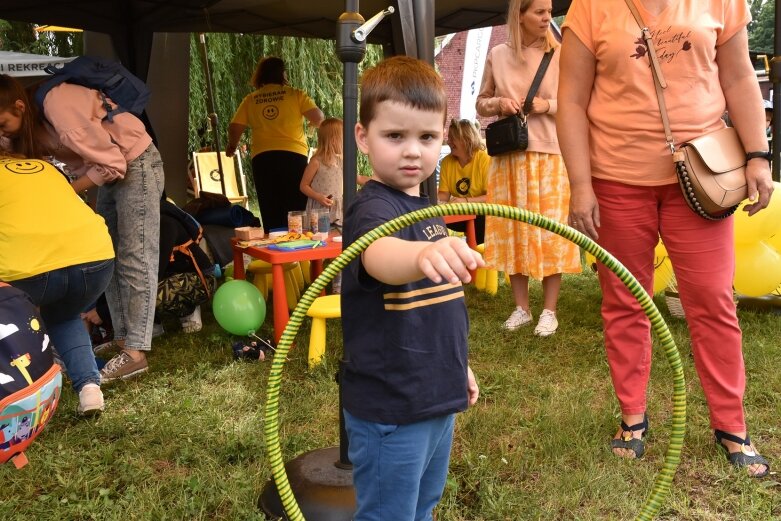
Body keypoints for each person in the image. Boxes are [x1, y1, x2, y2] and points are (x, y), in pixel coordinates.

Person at [558, 0, 773, 477]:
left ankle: (731, 426)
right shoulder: (589, 7)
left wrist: (759, 153)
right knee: (624, 300)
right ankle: (633, 416)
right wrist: (581, 185)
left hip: (704, 176)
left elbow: (739, 79)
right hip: (615, 180)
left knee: (713, 301)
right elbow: (570, 99)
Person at [342, 55, 483, 521]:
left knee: (423, 505)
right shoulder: (372, 208)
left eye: (426, 137)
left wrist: (458, 368)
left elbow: (441, 310)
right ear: (363, 137)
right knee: (389, 513)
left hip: (434, 396)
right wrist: (420, 257)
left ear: (443, 137)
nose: (412, 151)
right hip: (391, 406)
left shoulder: (427, 208)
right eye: (394, 136)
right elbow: (378, 257)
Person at [0, 73, 164, 384]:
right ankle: (122, 342)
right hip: (103, 171)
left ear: (19, 107)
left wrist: (62, 192)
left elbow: (114, 163)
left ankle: (136, 352)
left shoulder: (58, 104)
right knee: (114, 256)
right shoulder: (26, 125)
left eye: (2, 125)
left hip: (135, 162)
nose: (2, 134)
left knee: (136, 253)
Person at [476, 0, 581, 337]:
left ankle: (550, 311)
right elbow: (481, 102)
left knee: (552, 233)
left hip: (550, 155)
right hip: (508, 157)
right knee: (513, 231)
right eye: (540, 11)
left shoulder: (561, 54)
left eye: (549, 11)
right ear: (519, 16)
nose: (548, 17)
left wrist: (544, 105)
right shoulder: (498, 55)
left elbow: (576, 102)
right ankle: (521, 307)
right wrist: (499, 104)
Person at [0, 154, 115, 415]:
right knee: (64, 316)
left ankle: (16, 395)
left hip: (29, 268)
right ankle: (89, 389)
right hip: (95, 257)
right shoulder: (42, 166)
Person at [227, 56, 325, 230]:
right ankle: (299, 247)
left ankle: (275, 247)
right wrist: (312, 126)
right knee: (296, 204)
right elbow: (319, 118)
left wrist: (232, 146)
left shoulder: (251, 99)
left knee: (270, 204)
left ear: (260, 75)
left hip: (263, 158)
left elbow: (235, 127)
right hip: (293, 157)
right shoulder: (295, 94)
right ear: (283, 74)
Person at [437, 118, 490, 243]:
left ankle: (475, 256)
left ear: (466, 139)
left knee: (480, 221)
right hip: (460, 213)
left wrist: (465, 201)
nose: (448, 141)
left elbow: (492, 197)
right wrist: (433, 201)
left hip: (483, 215)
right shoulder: (446, 162)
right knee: (433, 219)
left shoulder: (484, 159)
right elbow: (443, 196)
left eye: (452, 138)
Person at [300, 117, 344, 227]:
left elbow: (356, 177)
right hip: (320, 211)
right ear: (334, 140)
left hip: (337, 211)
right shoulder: (316, 161)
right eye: (343, 138)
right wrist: (318, 197)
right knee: (320, 238)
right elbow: (303, 186)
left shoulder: (341, 161)